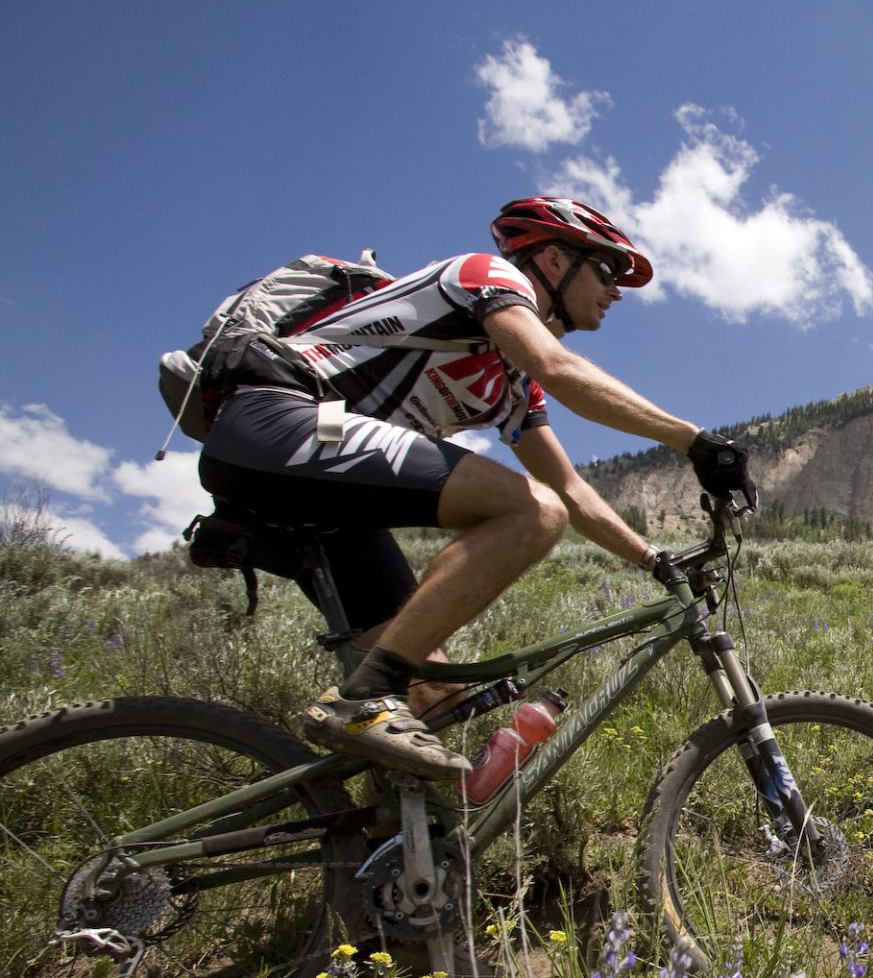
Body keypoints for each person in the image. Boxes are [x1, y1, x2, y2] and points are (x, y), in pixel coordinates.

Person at [195, 196, 756, 778]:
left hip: (333, 509)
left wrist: (653, 560)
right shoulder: (483, 276)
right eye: (608, 270)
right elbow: (560, 374)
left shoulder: (513, 387)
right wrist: (695, 441)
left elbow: (568, 487)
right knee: (529, 512)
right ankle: (361, 701)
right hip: (276, 422)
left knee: (436, 703)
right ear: (556, 261)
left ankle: (390, 850)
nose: (616, 292)